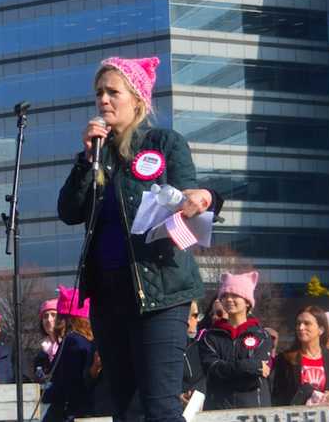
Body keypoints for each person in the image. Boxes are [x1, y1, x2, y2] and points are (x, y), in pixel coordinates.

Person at [57, 56, 222, 422]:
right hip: (108, 297)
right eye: (99, 93)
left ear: (138, 100)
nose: (103, 100)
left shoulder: (163, 142)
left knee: (160, 406)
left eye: (113, 92)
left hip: (160, 292)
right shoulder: (98, 156)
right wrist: (86, 161)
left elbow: (191, 191)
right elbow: (69, 211)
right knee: (125, 409)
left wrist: (203, 197)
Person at [199, 271, 272, 409]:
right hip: (219, 410)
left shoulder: (262, 336)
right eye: (225, 295)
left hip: (254, 411)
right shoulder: (209, 337)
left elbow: (257, 378)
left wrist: (228, 371)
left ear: (247, 302)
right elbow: (213, 370)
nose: (229, 299)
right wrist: (249, 366)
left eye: (235, 295)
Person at [273, 306, 329, 406]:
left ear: (321, 329)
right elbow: (278, 396)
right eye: (298, 323)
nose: (301, 327)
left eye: (307, 323)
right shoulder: (285, 359)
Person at [42, 286, 96, 421]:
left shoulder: (72, 342)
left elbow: (67, 384)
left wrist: (43, 394)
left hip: (73, 413)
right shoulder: (88, 341)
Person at [181, 300, 205, 407]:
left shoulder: (200, 347)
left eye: (196, 316)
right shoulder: (160, 350)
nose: (196, 321)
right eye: (194, 315)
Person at [33, 297, 59, 382]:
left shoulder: (68, 345)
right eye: (45, 316)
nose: (49, 319)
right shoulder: (42, 352)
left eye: (53, 315)